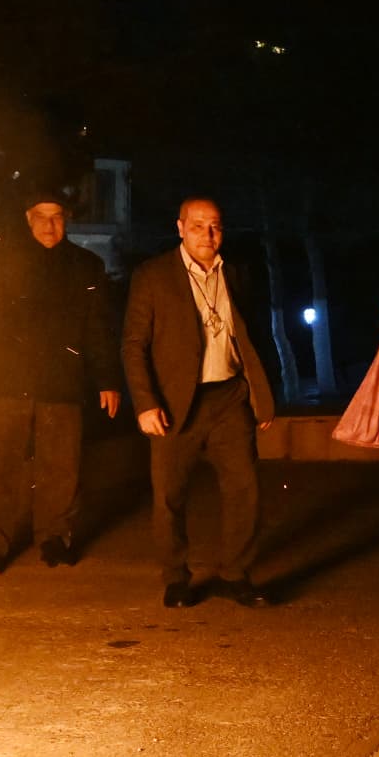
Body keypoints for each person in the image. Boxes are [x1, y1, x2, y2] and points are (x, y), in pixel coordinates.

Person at [120, 197, 282, 610]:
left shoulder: (238, 272)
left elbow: (257, 336)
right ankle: (176, 578)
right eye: (197, 226)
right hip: (176, 403)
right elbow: (133, 344)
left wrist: (264, 395)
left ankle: (236, 574)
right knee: (169, 495)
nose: (208, 235)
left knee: (245, 489)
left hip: (229, 397)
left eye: (215, 226)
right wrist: (145, 403)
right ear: (179, 227)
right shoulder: (154, 276)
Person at [0, 187, 122, 573]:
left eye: (57, 217)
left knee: (61, 467)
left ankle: (54, 537)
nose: (50, 225)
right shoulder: (1, 263)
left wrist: (107, 380)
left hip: (63, 382)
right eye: (42, 217)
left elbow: (98, 328)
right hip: (7, 380)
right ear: (28, 219)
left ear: (66, 220)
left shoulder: (86, 266)